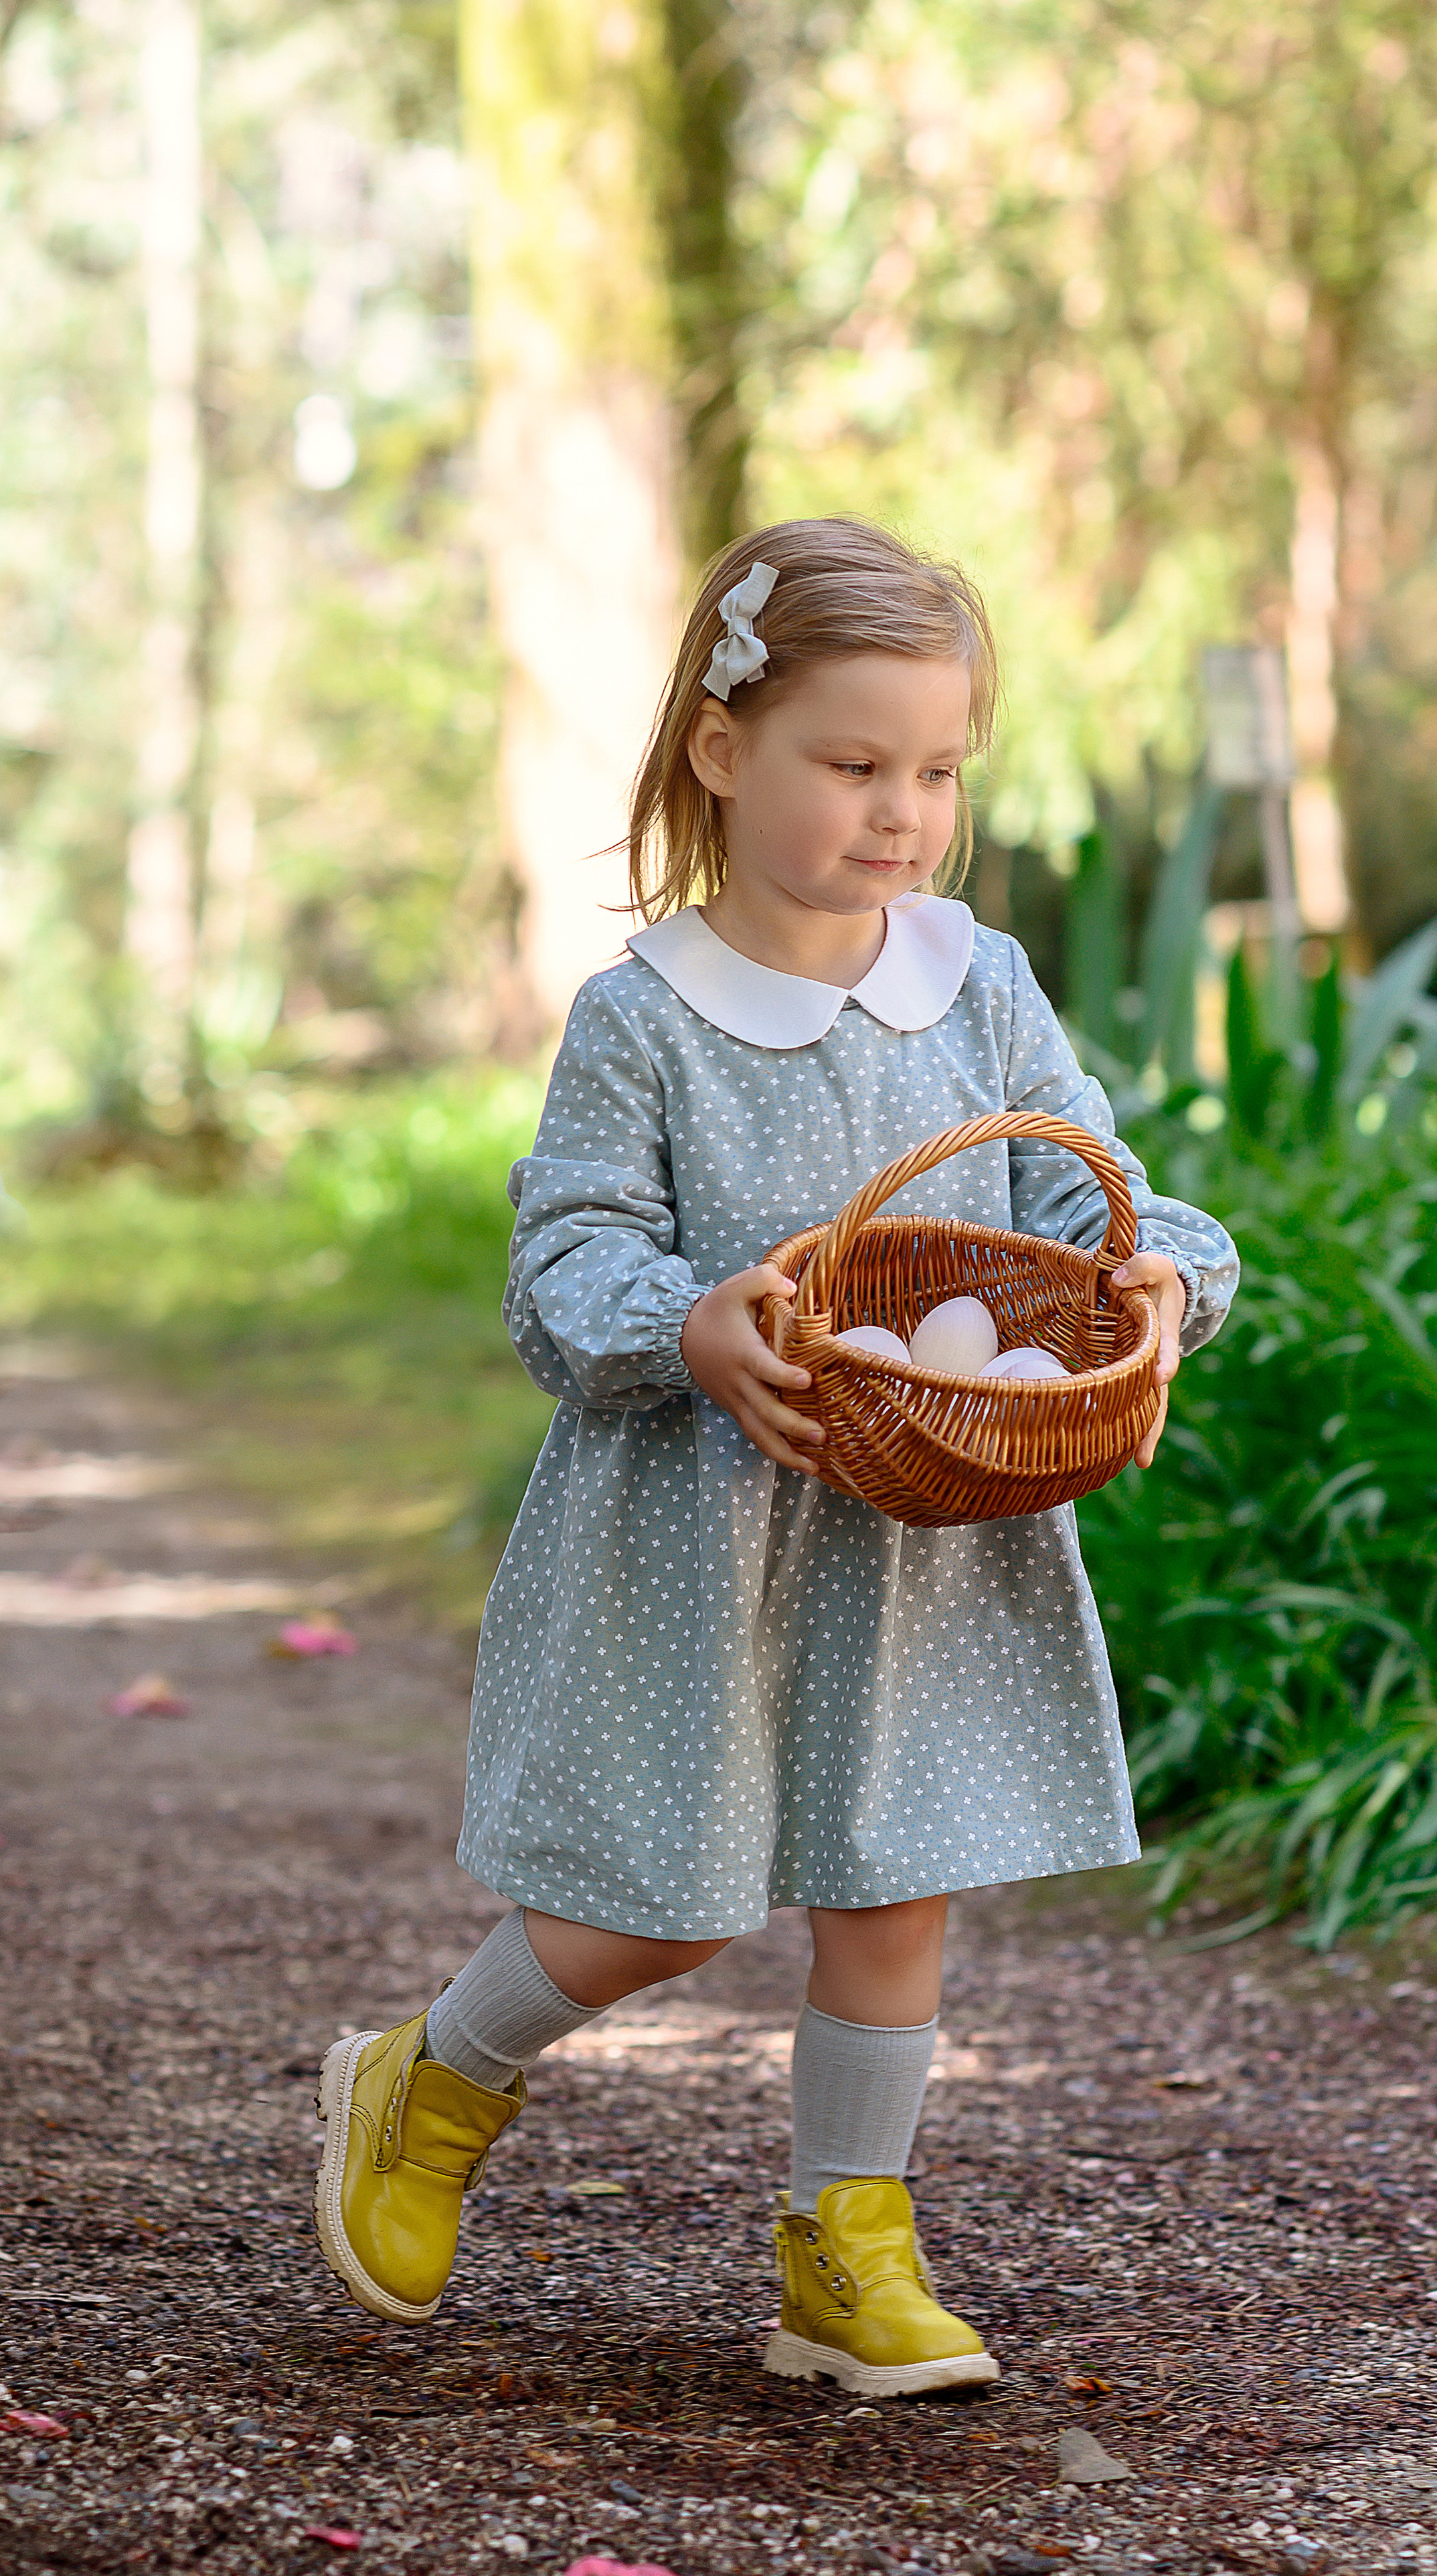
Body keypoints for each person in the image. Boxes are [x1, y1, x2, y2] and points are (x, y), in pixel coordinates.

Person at [313, 516, 1238, 2397]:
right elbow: (564, 1255)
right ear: (726, 750)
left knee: (896, 1891)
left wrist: (1166, 1277)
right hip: (699, 1529)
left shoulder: (977, 986)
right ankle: (433, 2079)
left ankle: (848, 2247)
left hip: (922, 1527)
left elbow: (1094, 1180)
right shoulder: (645, 1019)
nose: (904, 814)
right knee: (644, 1912)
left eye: (938, 772)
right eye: (855, 763)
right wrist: (686, 1325)